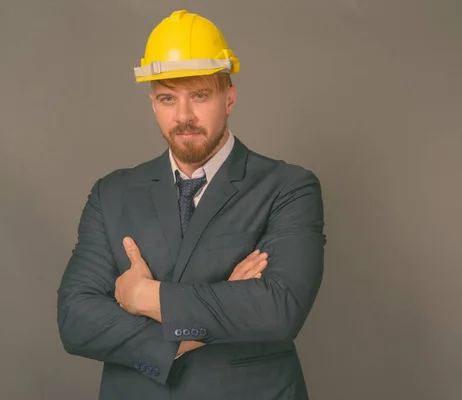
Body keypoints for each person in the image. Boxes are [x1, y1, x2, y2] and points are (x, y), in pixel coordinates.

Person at [56, 9, 325, 400]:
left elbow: (278, 310)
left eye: (200, 95)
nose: (183, 116)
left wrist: (142, 296)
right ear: (152, 103)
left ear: (229, 98)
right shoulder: (111, 194)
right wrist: (197, 328)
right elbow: (76, 320)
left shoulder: (288, 187)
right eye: (167, 98)